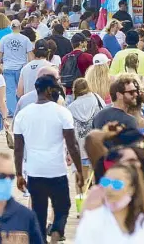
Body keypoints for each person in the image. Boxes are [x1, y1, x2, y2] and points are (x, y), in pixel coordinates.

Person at [14, 74, 84, 243]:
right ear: (48, 90)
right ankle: (57, 231)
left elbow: (18, 149)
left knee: (38, 211)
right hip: (57, 170)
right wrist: (80, 170)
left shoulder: (23, 115)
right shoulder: (62, 113)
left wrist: (19, 174)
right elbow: (72, 145)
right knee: (63, 207)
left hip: (35, 171)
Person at [75, 163, 144, 243]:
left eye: (117, 184)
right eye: (106, 182)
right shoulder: (92, 219)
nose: (110, 188)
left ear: (131, 189)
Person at [0, 20, 34, 118]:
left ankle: (12, 111)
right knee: (21, 90)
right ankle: (21, 109)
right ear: (20, 27)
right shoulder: (26, 39)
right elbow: (30, 55)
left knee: (10, 91)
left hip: (8, 67)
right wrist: (31, 67)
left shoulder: (4, 39)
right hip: (21, 68)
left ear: (11, 27)